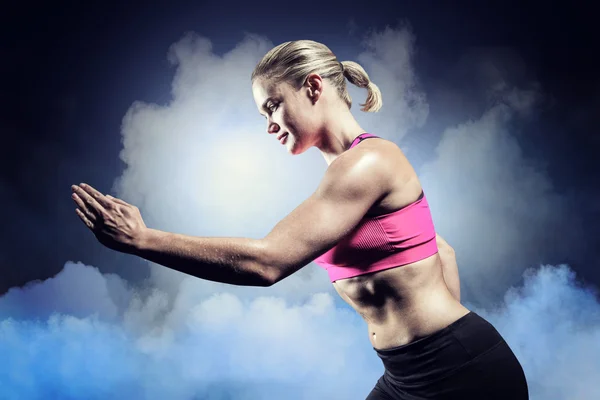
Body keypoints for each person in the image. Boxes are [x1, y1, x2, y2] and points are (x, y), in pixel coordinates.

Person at [71, 40, 529, 399]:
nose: (268, 123)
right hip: (409, 373)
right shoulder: (347, 171)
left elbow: (267, 264)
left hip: (460, 372)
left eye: (272, 105)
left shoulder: (369, 162)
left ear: (312, 87)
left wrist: (144, 240)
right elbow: (441, 249)